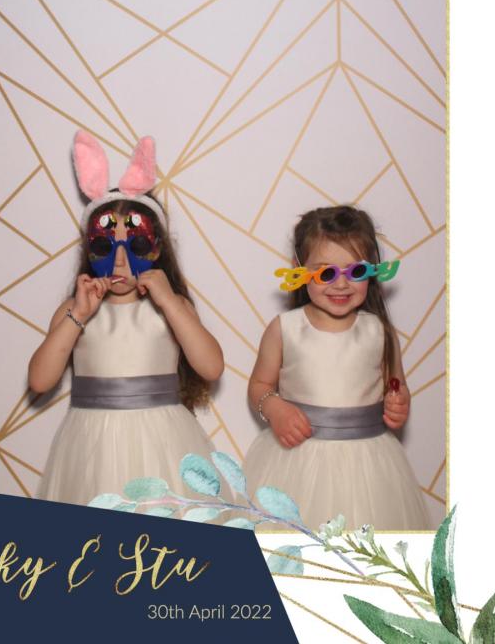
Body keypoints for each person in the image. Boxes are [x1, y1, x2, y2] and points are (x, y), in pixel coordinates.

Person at [31, 131, 224, 506]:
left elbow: (212, 367)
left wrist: (169, 302)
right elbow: (40, 379)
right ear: (90, 249)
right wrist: (78, 315)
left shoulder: (171, 307)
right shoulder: (75, 309)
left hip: (163, 445)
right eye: (105, 246)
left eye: (135, 245)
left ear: (156, 249)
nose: (120, 260)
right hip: (91, 448)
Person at [243, 205, 430, 530]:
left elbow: (396, 384)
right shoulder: (285, 328)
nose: (341, 284)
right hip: (298, 461)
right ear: (300, 271)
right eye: (326, 273)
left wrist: (398, 403)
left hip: (368, 467)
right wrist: (274, 408)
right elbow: (259, 385)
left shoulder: (379, 331)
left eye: (355, 272)